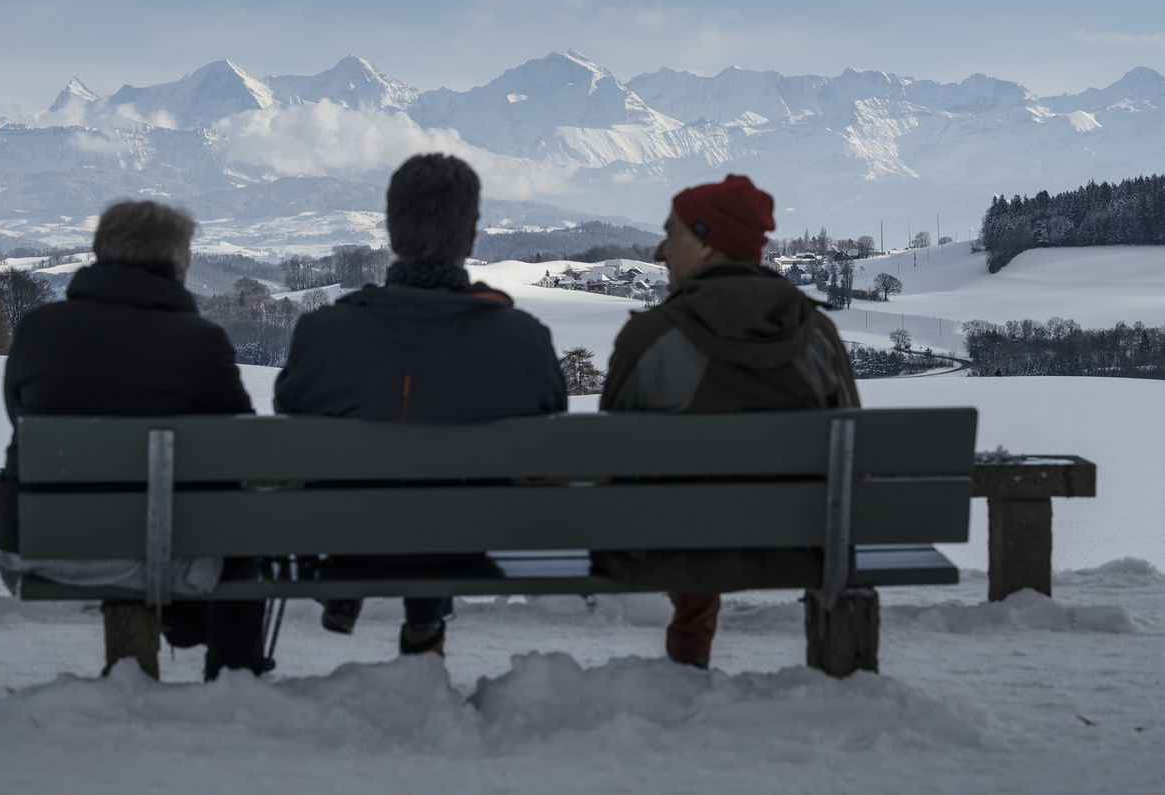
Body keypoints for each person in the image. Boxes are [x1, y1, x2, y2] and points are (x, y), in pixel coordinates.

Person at [274, 153, 567, 655]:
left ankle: (350, 579)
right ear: (471, 236)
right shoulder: (522, 338)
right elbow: (546, 436)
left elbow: (292, 422)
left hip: (349, 532)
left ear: (392, 231)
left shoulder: (324, 333)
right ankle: (425, 625)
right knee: (449, 495)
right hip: (467, 541)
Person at [0, 200, 268, 680]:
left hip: (45, 544)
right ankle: (234, 674)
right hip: (168, 554)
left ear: (100, 254)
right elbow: (239, 447)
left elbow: (19, 415)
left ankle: (187, 630)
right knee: (239, 527)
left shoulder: (38, 328)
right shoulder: (200, 340)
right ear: (177, 262)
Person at [598, 174, 859, 669]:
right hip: (804, 547)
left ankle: (688, 658)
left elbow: (614, 460)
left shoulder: (650, 339)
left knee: (681, 506)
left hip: (665, 550)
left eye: (671, 234)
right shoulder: (818, 334)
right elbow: (850, 452)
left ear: (705, 243)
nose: (659, 251)